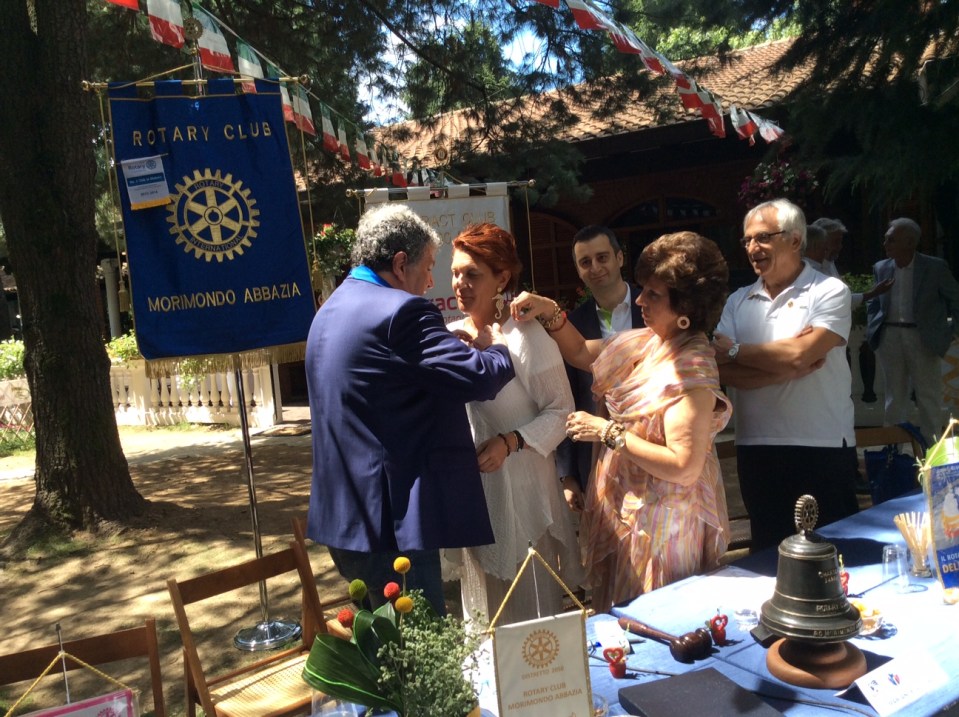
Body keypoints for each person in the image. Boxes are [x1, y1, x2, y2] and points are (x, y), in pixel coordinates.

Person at [305, 204, 515, 614]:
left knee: (381, 643)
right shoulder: (401, 312)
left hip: (344, 518)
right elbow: (479, 378)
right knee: (419, 646)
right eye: (429, 266)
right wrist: (498, 347)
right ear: (401, 264)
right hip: (391, 527)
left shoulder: (329, 310)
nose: (432, 281)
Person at [512, 231, 732, 614]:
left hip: (666, 528)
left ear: (686, 308)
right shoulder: (652, 341)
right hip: (631, 515)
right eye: (644, 290)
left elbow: (683, 466)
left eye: (654, 295)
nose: (640, 300)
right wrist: (549, 310)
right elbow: (582, 352)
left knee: (657, 622)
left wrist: (607, 431)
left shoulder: (692, 369)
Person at [445, 222, 582, 624]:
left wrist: (510, 442)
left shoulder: (525, 335)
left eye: (472, 274)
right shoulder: (451, 335)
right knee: (481, 615)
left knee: (528, 615)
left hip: (523, 491)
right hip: (476, 492)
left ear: (502, 278)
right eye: (455, 273)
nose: (460, 284)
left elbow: (562, 411)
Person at [712, 198, 860, 551]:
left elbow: (799, 354)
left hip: (822, 445)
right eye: (747, 239)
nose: (753, 247)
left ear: (795, 240)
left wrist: (736, 350)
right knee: (769, 556)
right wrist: (787, 368)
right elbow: (721, 370)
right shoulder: (737, 300)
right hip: (755, 446)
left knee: (834, 556)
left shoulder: (829, 291)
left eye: (763, 237)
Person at [556, 226, 644, 512]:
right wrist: (568, 474)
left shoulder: (653, 308)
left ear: (620, 258)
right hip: (597, 457)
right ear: (578, 270)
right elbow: (566, 398)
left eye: (602, 257)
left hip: (653, 448)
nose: (595, 267)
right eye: (585, 262)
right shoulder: (572, 327)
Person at [866, 217, 959, 444]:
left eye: (891, 240)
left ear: (910, 242)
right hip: (890, 336)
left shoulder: (935, 267)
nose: (885, 244)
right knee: (893, 397)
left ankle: (931, 450)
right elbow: (874, 302)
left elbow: (955, 299)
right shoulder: (881, 267)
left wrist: (950, 332)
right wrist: (873, 327)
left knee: (928, 396)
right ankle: (893, 450)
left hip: (923, 337)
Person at [810, 216, 892, 307]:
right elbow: (838, 301)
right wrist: (873, 293)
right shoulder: (809, 269)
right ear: (821, 242)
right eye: (836, 242)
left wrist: (874, 292)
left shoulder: (830, 263)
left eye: (840, 242)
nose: (840, 247)